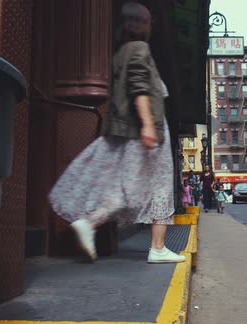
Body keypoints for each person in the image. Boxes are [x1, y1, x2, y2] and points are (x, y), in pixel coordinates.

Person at [48, 2, 185, 264]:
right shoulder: (140, 49)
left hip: (132, 130)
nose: (152, 27)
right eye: (149, 22)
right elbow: (139, 87)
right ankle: (155, 247)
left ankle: (91, 223)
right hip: (147, 130)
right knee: (158, 188)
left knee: (127, 187)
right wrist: (147, 124)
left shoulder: (121, 52)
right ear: (142, 25)